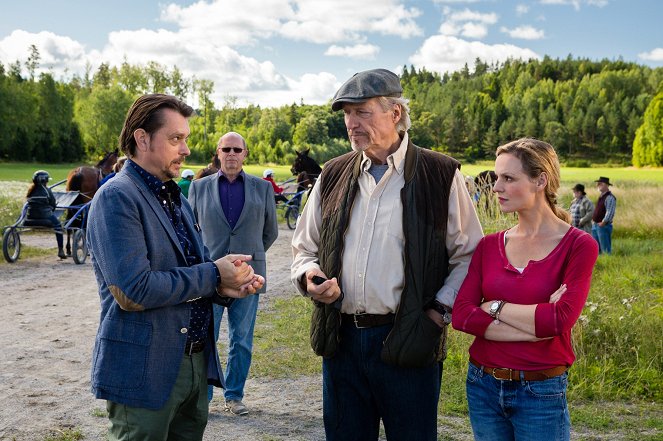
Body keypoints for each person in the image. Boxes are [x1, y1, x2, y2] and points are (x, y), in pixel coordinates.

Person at [290, 68, 483, 441]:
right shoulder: (332, 174)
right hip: (341, 341)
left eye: (362, 112)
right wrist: (309, 277)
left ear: (395, 113)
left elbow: (469, 255)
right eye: (347, 114)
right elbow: (304, 247)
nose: (351, 123)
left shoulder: (440, 174)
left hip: (410, 338)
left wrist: (438, 313)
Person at [86, 93, 265, 441]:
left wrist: (226, 287)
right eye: (175, 139)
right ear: (142, 139)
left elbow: (191, 273)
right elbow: (133, 291)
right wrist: (214, 273)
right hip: (146, 370)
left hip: (195, 364)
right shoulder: (117, 197)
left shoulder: (176, 197)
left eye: (185, 139)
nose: (185, 150)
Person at [452, 138, 599, 441]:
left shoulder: (578, 246)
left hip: (540, 391)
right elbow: (462, 316)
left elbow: (558, 322)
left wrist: (493, 306)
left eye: (508, 178)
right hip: (483, 385)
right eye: (496, 178)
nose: (496, 187)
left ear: (540, 180)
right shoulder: (488, 246)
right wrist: (537, 324)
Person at [189, 132, 278, 415]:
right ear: (217, 152)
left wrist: (245, 261)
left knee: (242, 340)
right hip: (210, 277)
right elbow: (192, 232)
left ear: (245, 153)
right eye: (226, 149)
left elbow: (270, 232)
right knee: (205, 338)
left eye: (236, 149)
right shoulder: (199, 187)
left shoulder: (261, 188)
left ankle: (235, 395)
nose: (231, 154)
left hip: (248, 278)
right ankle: (203, 397)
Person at [25, 170, 66, 259]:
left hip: (30, 218)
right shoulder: (47, 191)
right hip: (45, 217)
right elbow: (53, 204)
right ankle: (61, 250)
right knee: (58, 226)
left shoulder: (30, 191)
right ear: (44, 181)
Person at [591, 176, 617, 254]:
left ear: (606, 185)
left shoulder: (610, 197)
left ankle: (608, 263)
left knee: (605, 249)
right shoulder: (602, 196)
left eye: (600, 183)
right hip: (596, 225)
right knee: (597, 249)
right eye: (598, 184)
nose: (598, 185)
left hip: (603, 226)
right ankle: (600, 263)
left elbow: (610, 211)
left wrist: (604, 222)